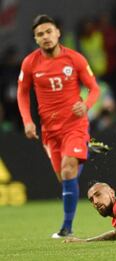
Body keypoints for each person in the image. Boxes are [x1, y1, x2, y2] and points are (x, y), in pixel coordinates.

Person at [17, 15, 100, 238]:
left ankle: (67, 228)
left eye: (49, 31)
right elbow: (22, 93)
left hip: (74, 125)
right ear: (36, 39)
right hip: (49, 130)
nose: (46, 37)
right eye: (40, 34)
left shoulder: (75, 59)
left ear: (58, 33)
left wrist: (86, 104)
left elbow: (94, 88)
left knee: (67, 169)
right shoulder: (30, 63)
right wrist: (27, 120)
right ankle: (84, 150)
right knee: (65, 178)